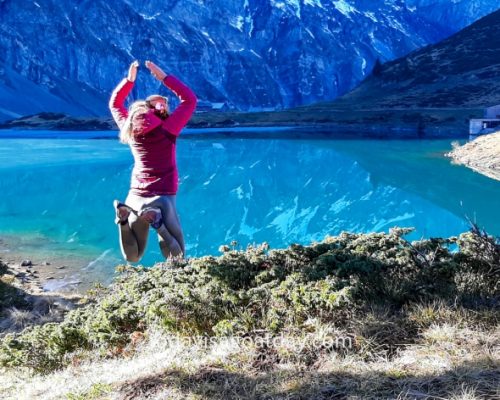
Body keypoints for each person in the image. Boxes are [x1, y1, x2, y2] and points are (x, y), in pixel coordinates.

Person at [109, 60, 197, 262]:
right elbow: (189, 100)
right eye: (161, 103)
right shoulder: (168, 129)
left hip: (135, 195)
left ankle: (122, 219)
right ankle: (159, 224)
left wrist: (129, 81)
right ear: (156, 110)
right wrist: (164, 78)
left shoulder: (129, 129)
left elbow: (115, 104)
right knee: (178, 258)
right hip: (163, 196)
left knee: (133, 256)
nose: (163, 104)